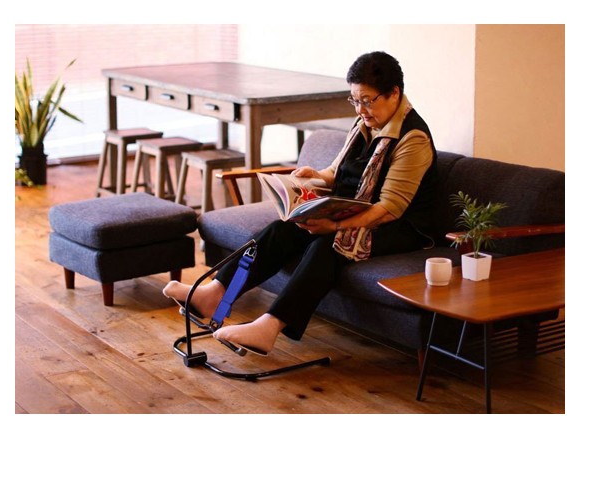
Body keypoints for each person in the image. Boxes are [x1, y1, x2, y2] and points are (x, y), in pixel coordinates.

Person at [163, 51, 437, 355]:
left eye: (367, 100)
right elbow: (340, 172)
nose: (360, 109)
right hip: (354, 209)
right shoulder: (365, 123)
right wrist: (316, 177)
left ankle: (269, 326)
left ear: (394, 93)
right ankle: (215, 294)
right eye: (355, 100)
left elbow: (390, 208)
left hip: (400, 228)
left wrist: (334, 225)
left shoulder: (413, 138)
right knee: (283, 228)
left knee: (331, 243)